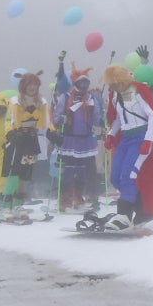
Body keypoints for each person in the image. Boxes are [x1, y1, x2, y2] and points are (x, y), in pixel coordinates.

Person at [100, 64, 153, 227]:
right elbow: (119, 119)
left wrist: (148, 141)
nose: (117, 87)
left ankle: (123, 214)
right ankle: (143, 208)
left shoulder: (139, 90)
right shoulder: (115, 95)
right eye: (113, 85)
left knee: (129, 175)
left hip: (141, 136)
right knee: (115, 176)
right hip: (125, 138)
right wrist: (111, 134)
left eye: (119, 83)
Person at [51, 64, 102, 212]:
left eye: (86, 83)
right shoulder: (66, 97)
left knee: (84, 170)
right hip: (70, 139)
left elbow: (97, 117)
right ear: (75, 83)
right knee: (68, 170)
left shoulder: (91, 98)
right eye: (81, 82)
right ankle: (64, 199)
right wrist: (61, 119)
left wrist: (101, 120)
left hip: (86, 140)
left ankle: (80, 197)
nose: (84, 85)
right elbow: (55, 117)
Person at [3, 71, 47, 210]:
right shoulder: (15, 101)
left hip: (30, 141)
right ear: (23, 86)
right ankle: (5, 205)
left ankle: (18, 204)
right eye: (29, 84)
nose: (32, 87)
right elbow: (13, 121)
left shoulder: (41, 102)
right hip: (17, 140)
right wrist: (11, 133)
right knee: (13, 173)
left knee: (25, 175)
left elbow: (42, 123)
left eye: (35, 84)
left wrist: (52, 132)